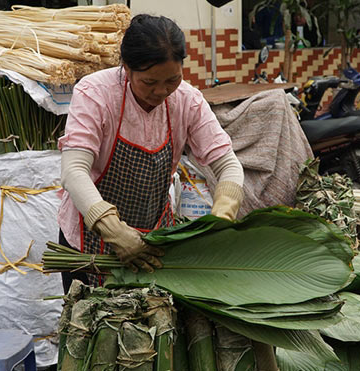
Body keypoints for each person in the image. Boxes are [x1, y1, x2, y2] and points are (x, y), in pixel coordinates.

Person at [57, 14, 245, 290]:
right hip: (90, 240)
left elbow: (228, 165)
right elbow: (74, 171)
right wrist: (114, 231)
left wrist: (221, 217)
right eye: (148, 82)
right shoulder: (95, 93)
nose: (160, 91)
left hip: (153, 242)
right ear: (126, 68)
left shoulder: (188, 101)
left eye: (172, 80)